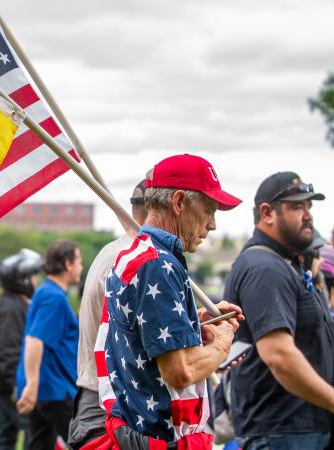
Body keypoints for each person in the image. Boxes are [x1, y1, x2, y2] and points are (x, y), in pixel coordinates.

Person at [101, 153, 244, 449]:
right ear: (179, 202)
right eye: (209, 210)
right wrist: (222, 342)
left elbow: (141, 334)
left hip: (135, 429)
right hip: (160, 439)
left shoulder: (136, 254)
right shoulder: (158, 266)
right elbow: (180, 372)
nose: (213, 225)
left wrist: (194, 322)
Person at [224, 171, 334, 449]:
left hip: (299, 429)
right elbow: (279, 355)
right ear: (267, 213)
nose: (308, 215)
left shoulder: (286, 263)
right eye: (296, 207)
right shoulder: (264, 267)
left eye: (309, 207)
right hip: (281, 432)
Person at [68, 180, 148, 449]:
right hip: (111, 408)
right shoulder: (131, 260)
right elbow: (150, 349)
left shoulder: (116, 252)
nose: (210, 224)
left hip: (106, 403)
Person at [16, 240, 82, 450]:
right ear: (68, 264)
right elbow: (35, 340)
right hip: (52, 389)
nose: (81, 266)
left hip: (46, 388)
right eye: (79, 261)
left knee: (39, 445)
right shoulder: (52, 297)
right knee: (88, 442)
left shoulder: (48, 292)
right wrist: (33, 384)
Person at [0, 248, 43, 450]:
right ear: (22, 280)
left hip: (6, 385)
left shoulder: (14, 304)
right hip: (12, 386)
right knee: (31, 431)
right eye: (33, 276)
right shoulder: (11, 309)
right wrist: (18, 385)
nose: (36, 280)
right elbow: (8, 351)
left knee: (6, 436)